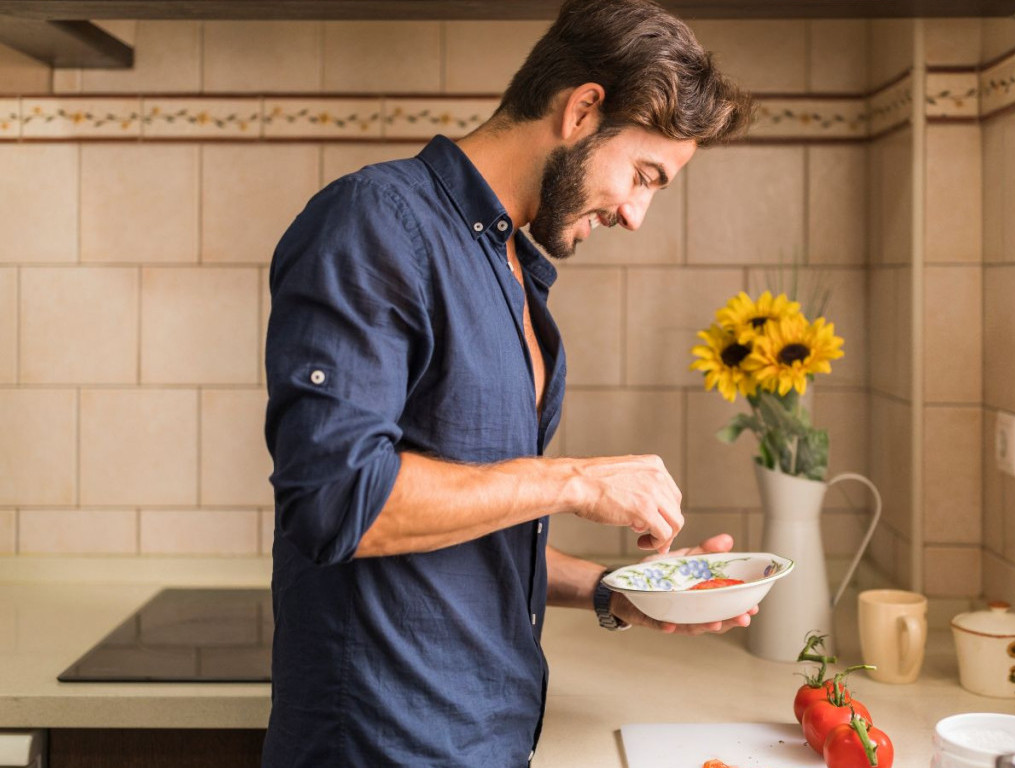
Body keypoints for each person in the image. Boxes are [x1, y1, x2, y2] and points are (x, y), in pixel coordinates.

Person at [261, 0, 755, 764]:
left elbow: (456, 539)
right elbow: (336, 501)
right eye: (643, 174)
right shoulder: (376, 222)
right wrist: (574, 481)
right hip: (383, 743)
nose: (636, 214)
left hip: (485, 736)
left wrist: (611, 588)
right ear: (584, 110)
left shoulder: (511, 271)